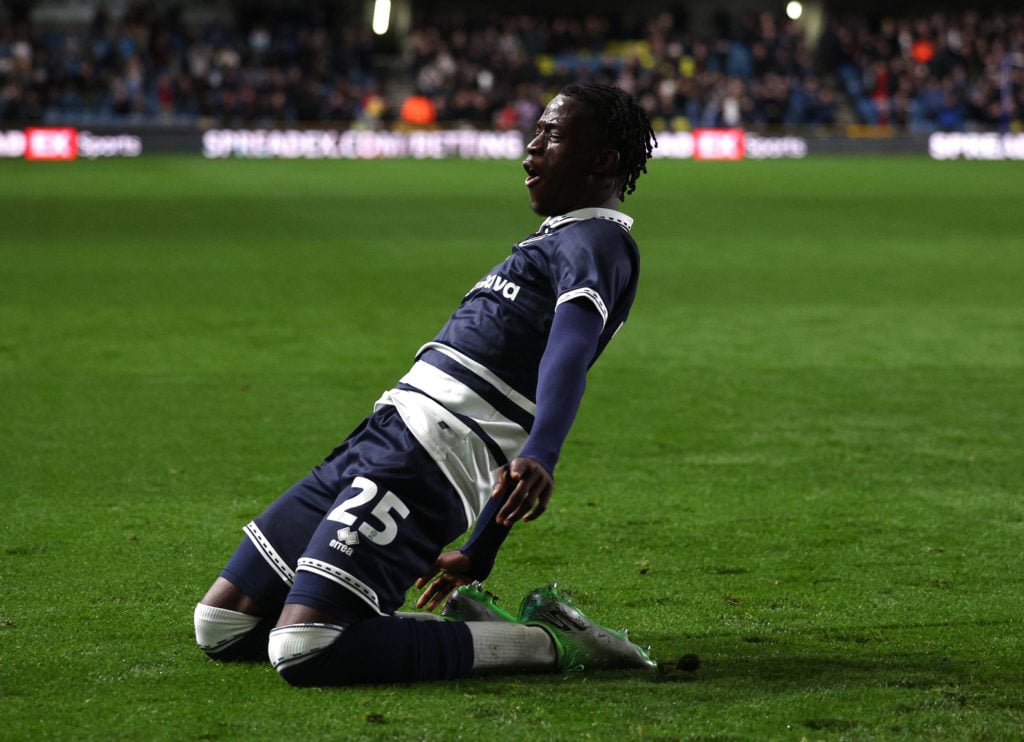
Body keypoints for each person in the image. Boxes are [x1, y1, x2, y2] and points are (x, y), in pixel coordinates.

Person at [194, 83, 658, 686]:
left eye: (552, 136)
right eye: (536, 132)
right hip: (381, 435)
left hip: (429, 455)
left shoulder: (600, 241)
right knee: (223, 623)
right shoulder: (557, 238)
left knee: (306, 648)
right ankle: (411, 616)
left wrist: (544, 451)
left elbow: (567, 354)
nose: (530, 150)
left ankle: (545, 643)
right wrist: (480, 550)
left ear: (603, 161)